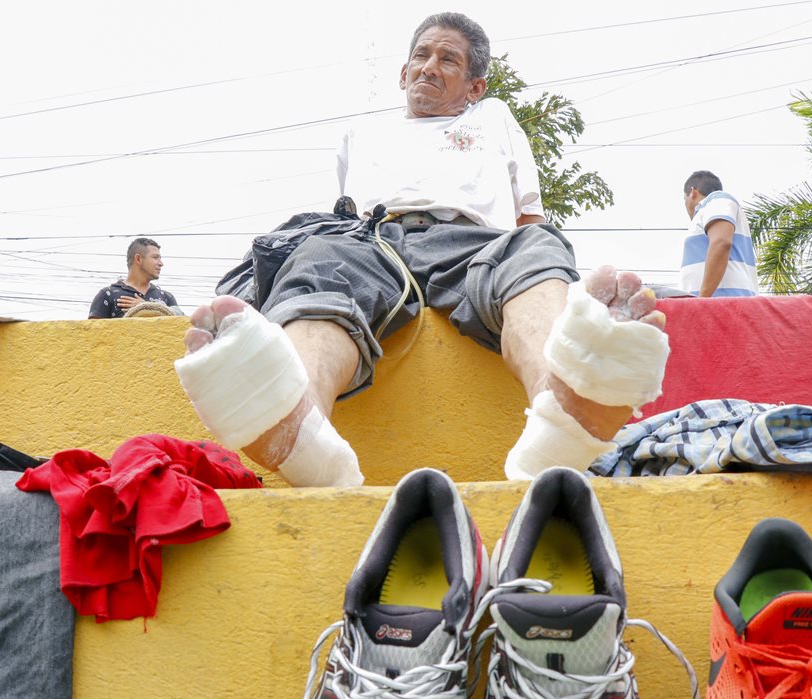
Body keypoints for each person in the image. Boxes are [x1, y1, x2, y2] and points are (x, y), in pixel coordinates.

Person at [175, 12, 670, 487]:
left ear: (475, 87)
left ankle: (564, 398)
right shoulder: (360, 133)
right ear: (402, 71)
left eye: (448, 60)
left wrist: (545, 274)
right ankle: (297, 420)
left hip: (473, 242)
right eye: (421, 55)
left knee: (537, 246)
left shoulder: (494, 118)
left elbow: (529, 215)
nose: (429, 66)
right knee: (320, 261)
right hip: (373, 240)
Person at [680, 170, 759, 297]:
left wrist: (702, 300)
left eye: (684, 198)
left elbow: (721, 242)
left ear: (693, 192)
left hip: (721, 305)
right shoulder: (713, 207)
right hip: (719, 305)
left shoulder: (716, 199)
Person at [88, 237, 178, 318]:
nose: (161, 263)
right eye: (155, 257)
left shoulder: (166, 297)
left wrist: (145, 307)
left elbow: (179, 325)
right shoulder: (108, 294)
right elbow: (93, 332)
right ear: (138, 259)